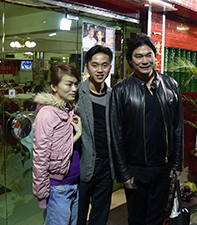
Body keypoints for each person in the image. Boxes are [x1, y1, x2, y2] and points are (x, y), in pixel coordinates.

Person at [110, 33, 184, 225]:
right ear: (130, 61)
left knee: (158, 217)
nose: (144, 61)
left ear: (155, 56)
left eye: (148, 55)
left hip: (163, 167)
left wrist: (177, 163)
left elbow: (178, 128)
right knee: (136, 218)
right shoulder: (120, 91)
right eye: (138, 56)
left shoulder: (171, 85)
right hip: (136, 169)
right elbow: (116, 136)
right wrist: (124, 173)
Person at [32, 62, 82, 225]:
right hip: (58, 186)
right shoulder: (47, 114)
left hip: (72, 181)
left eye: (76, 84)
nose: (74, 89)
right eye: (69, 84)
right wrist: (41, 194)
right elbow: (40, 156)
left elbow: (62, 146)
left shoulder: (67, 110)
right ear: (54, 86)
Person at [76, 45, 115, 225]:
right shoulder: (76, 94)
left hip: (106, 166)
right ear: (87, 67)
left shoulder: (113, 95)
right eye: (95, 65)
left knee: (100, 215)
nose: (100, 70)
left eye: (104, 65)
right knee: (78, 215)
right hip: (83, 164)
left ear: (110, 67)